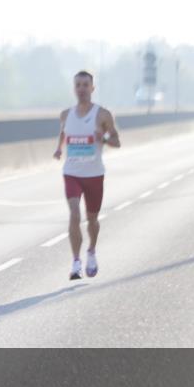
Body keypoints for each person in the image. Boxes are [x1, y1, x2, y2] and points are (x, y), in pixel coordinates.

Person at [54, 71, 120, 280]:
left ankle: (91, 250)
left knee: (92, 219)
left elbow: (117, 141)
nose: (81, 89)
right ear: (74, 89)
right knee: (74, 214)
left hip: (94, 174)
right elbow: (63, 132)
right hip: (72, 173)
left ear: (92, 88)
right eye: (78, 85)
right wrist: (59, 148)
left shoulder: (103, 115)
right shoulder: (66, 114)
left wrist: (105, 139)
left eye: (85, 85)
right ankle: (75, 262)